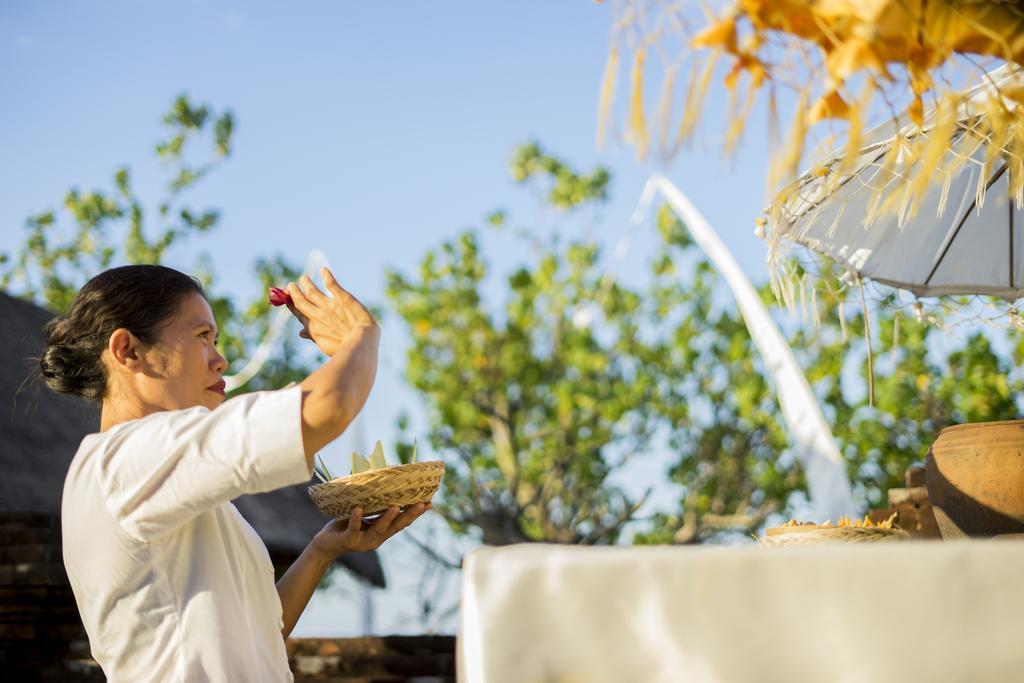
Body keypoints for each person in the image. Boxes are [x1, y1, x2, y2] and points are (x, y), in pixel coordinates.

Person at [42, 263, 428, 682]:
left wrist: (321, 552)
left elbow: (257, 637)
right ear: (128, 351)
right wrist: (363, 335)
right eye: (201, 337)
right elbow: (328, 407)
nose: (221, 360)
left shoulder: (155, 474)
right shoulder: (124, 461)